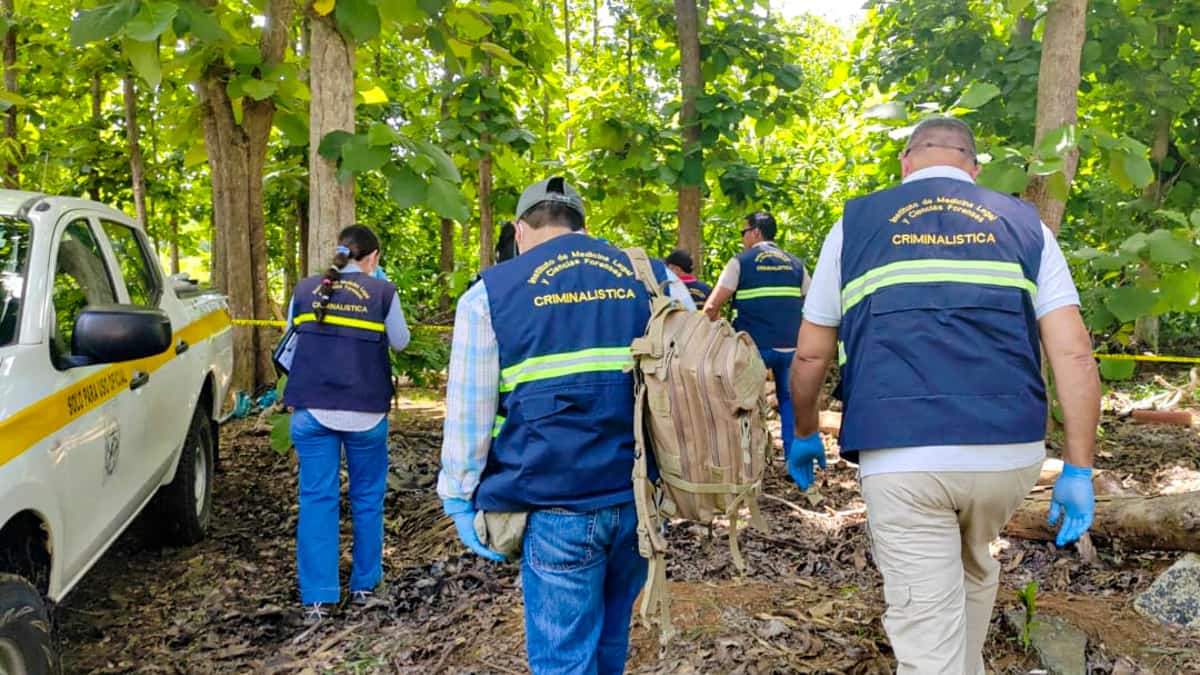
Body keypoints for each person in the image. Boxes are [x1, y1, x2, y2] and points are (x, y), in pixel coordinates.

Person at [787, 117, 1100, 674]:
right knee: (973, 563)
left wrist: (806, 431)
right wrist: (1078, 469)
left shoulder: (855, 225)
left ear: (906, 163)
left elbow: (810, 355)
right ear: (973, 169)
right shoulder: (1026, 225)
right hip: (1008, 452)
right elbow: (1074, 353)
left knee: (926, 639)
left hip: (903, 455)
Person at [438, 177, 650, 674]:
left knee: (562, 659)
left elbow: (471, 409)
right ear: (584, 228)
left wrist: (459, 493)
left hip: (555, 507)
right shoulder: (646, 278)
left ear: (518, 229)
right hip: (638, 498)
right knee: (610, 638)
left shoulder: (490, 294)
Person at [282, 224, 411, 624]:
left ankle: (318, 600)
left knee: (317, 499)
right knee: (367, 499)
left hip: (313, 410)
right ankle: (364, 586)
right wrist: (380, 289)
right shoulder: (383, 293)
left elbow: (293, 338)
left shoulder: (306, 290)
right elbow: (401, 341)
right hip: (366, 413)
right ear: (372, 258)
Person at [703, 211, 809, 450]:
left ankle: (751, 463)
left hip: (754, 349)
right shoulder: (796, 264)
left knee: (746, 404)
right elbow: (813, 306)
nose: (742, 239)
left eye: (744, 233)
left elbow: (711, 306)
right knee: (789, 403)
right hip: (791, 348)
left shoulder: (741, 262)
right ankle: (796, 466)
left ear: (756, 232)